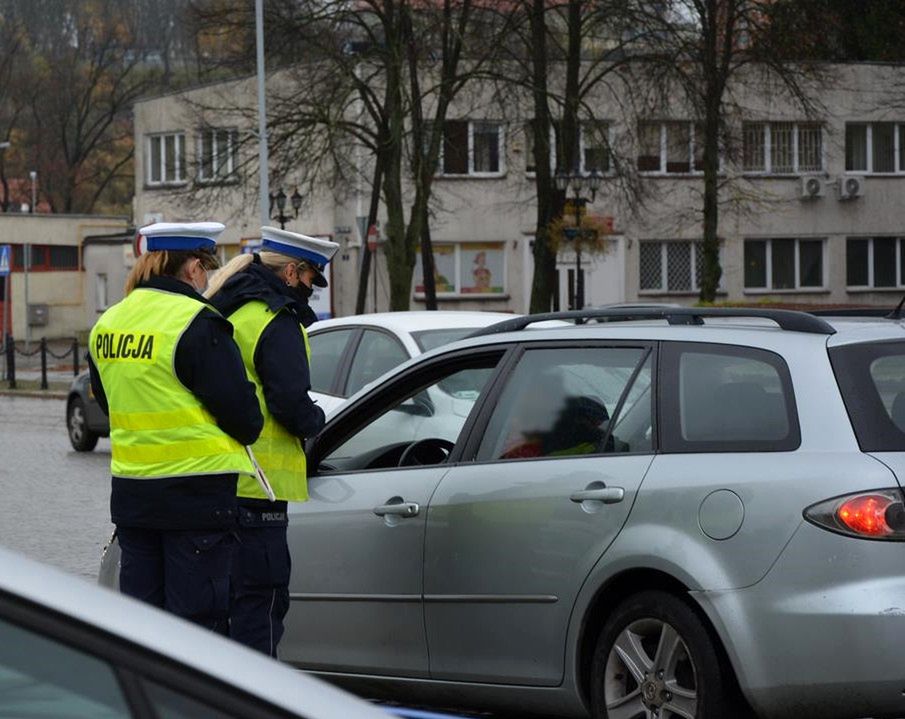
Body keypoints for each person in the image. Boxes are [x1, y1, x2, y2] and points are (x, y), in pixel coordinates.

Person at [87, 222, 263, 634]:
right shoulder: (198, 321)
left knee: (142, 629)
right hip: (195, 498)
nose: (207, 276)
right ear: (190, 268)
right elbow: (245, 418)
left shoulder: (109, 323)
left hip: (134, 496)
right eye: (205, 265)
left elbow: (110, 403)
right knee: (196, 632)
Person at [205, 226, 338, 657]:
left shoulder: (228, 307)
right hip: (261, 488)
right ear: (292, 272)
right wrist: (317, 419)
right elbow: (288, 403)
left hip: (220, 480)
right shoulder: (275, 320)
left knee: (223, 609)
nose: (309, 292)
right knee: (260, 610)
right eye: (309, 280)